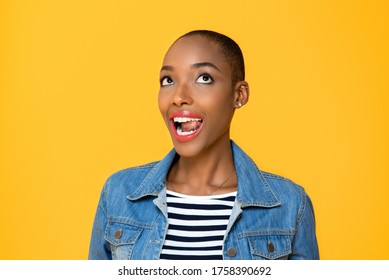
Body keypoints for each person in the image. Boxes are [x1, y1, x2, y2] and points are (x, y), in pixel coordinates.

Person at [88, 30, 319, 260]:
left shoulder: (290, 206)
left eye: (204, 78)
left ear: (239, 94)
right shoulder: (118, 194)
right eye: (168, 80)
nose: (179, 96)